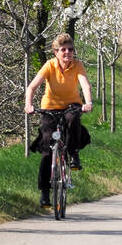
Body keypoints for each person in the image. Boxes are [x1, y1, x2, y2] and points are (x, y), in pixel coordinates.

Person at [24, 33, 94, 209]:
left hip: (71, 105)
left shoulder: (77, 65)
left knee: (72, 120)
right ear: (56, 52)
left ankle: (74, 152)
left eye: (70, 49)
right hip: (50, 107)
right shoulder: (49, 65)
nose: (67, 53)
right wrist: (29, 105)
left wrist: (88, 102)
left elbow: (85, 84)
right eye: (63, 50)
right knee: (47, 151)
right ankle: (45, 193)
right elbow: (32, 87)